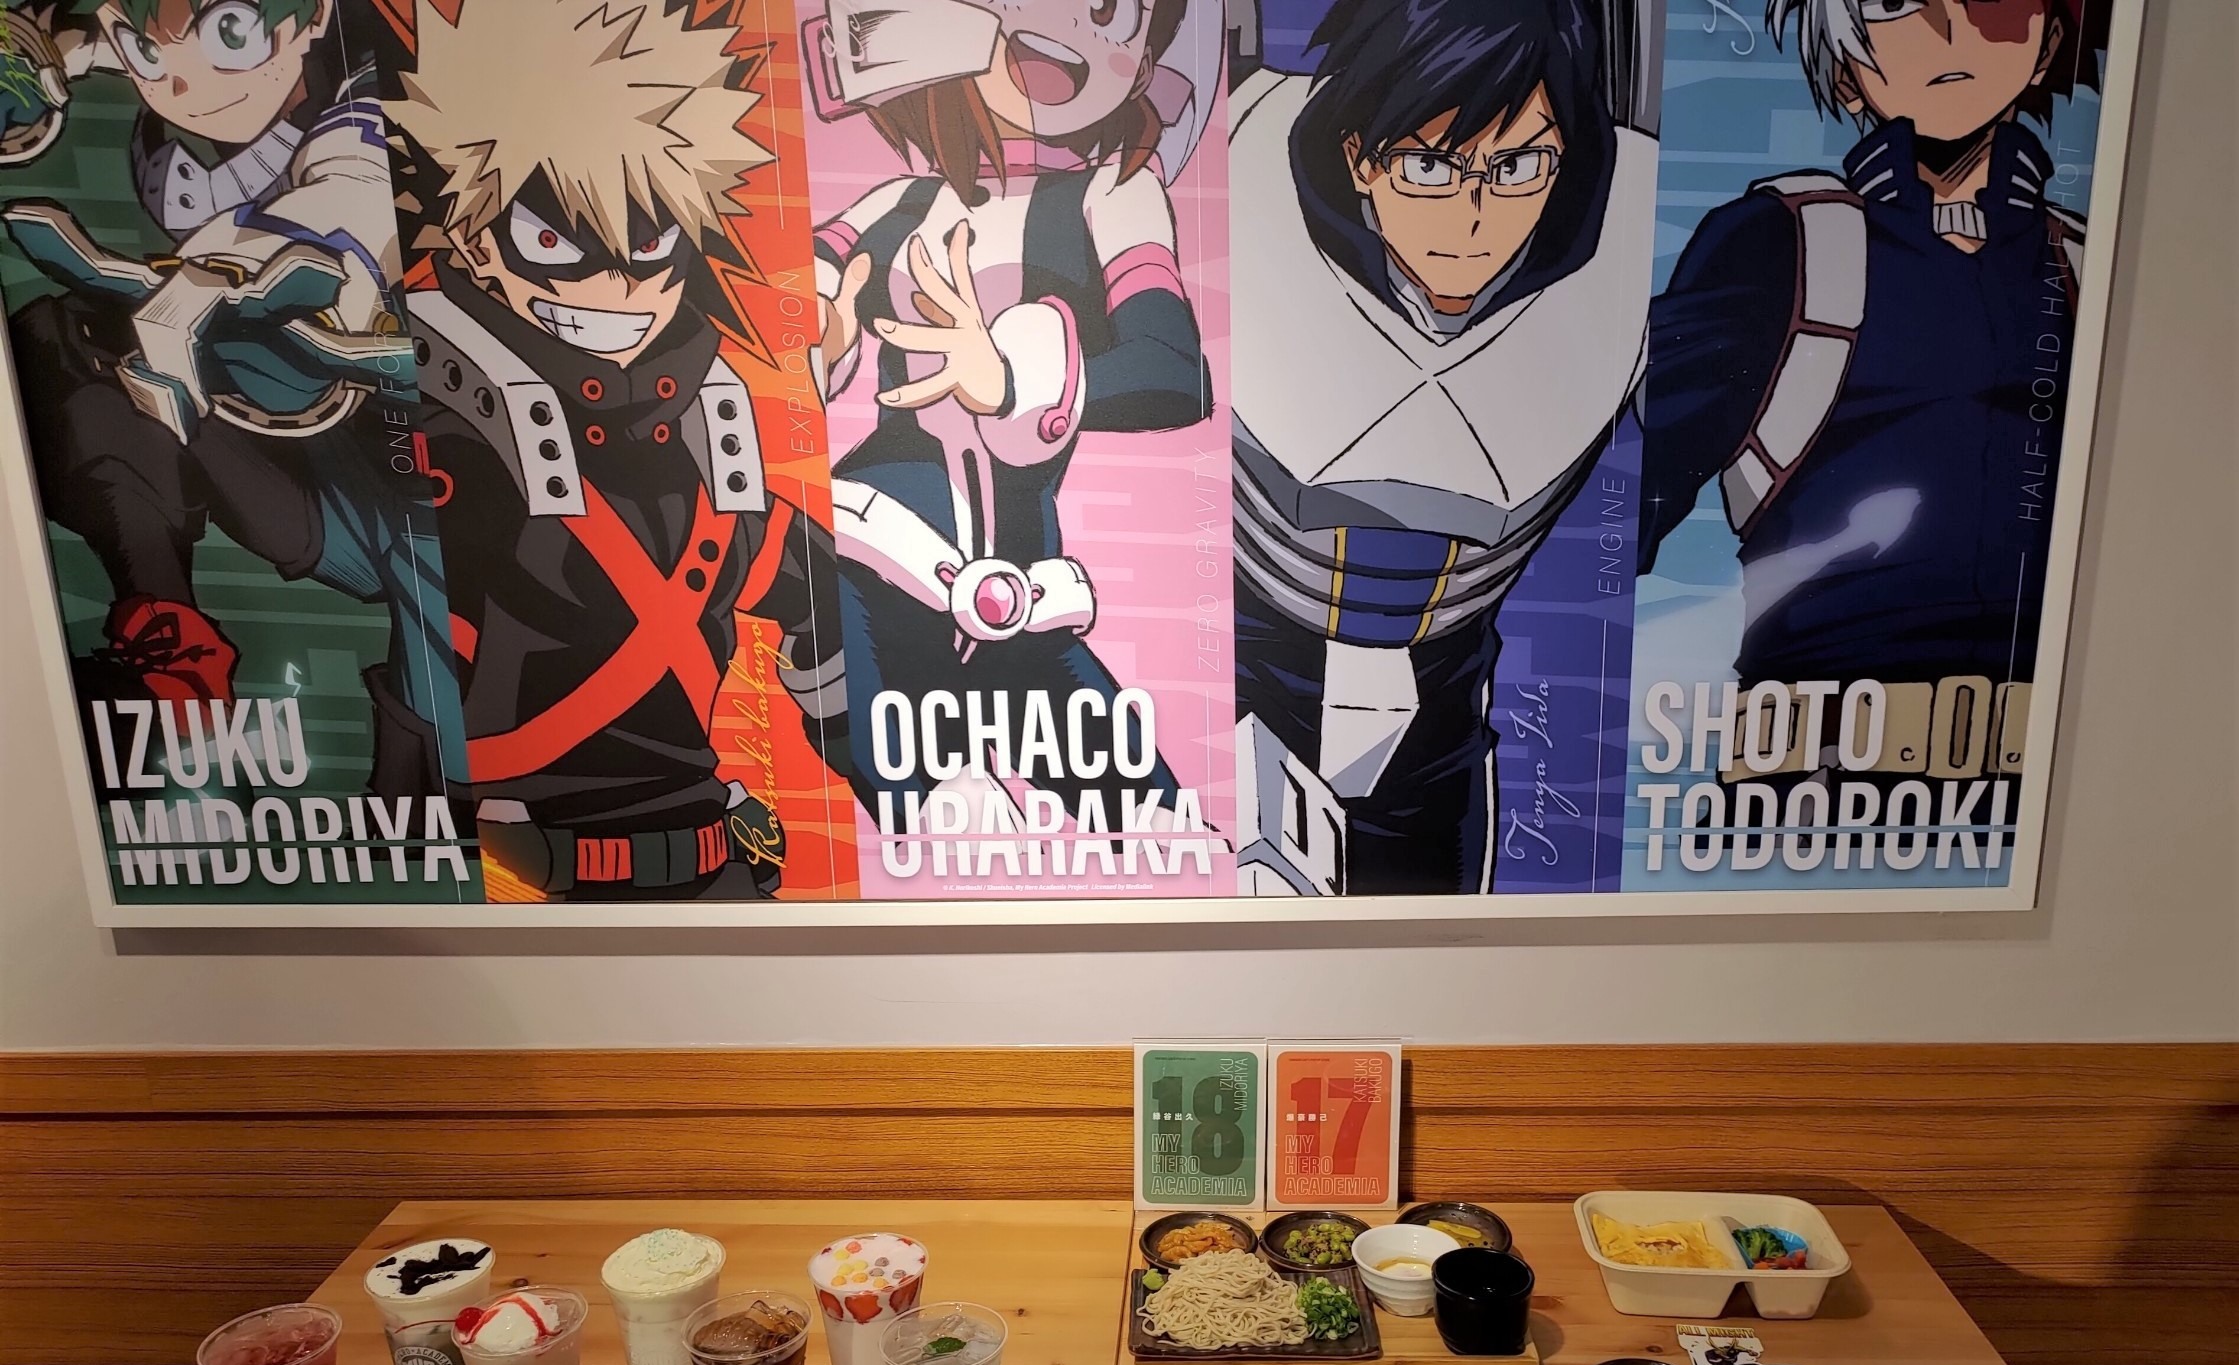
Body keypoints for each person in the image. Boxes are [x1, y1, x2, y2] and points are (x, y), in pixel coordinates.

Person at [386, 0, 851, 900]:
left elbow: (819, 602)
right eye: (552, 240)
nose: (616, 285)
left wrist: (919, 792)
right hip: (520, 898)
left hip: (717, 876)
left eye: (649, 240)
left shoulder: (710, 459)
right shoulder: (446, 455)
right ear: (473, 243)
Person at [1228, 0, 1654, 894]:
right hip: (1254, 661)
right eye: (1428, 166)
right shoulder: (1241, 171)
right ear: (1359, 156)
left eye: (1516, 166)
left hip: (1444, 690)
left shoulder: (1625, 244)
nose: (1472, 216)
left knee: (1428, 922)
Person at [1639, 0, 2107, 808]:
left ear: (2047, 44)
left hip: (2045, 787)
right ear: (1845, 70)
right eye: (1894, 7)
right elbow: (1622, 503)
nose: (1950, 28)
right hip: (1809, 782)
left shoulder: (2084, 264)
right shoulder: (1777, 240)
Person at [0, 0, 463, 793]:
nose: (181, 83)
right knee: (62, 336)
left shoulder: (369, 105)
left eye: (230, 35)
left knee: (446, 727)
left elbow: (351, 205)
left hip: (401, 496)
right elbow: (110, 36)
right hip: (287, 453)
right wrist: (46, 55)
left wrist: (243, 274)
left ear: (313, 18)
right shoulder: (183, 60)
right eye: (145, 52)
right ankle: (171, 656)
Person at [806, 0, 1217, 813]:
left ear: (1144, 66)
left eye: (1112, 11)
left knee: (1161, 826)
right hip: (869, 551)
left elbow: (1172, 369)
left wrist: (1009, 378)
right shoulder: (896, 203)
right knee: (931, 821)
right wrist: (819, 335)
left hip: (1023, 598)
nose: (1066, 24)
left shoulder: (1114, 195)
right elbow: (791, 310)